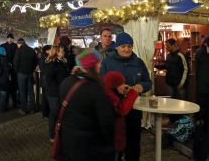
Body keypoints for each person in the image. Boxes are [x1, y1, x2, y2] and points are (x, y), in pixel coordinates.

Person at [100, 32, 152, 161]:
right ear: (117, 47)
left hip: (135, 107)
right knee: (115, 140)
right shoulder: (107, 62)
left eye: (129, 46)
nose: (127, 49)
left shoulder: (139, 62)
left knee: (133, 140)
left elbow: (148, 82)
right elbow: (101, 84)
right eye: (123, 46)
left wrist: (141, 86)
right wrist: (116, 87)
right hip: (115, 108)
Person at [59, 50, 114, 161]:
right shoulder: (96, 89)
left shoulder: (66, 82)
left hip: (68, 140)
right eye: (98, 62)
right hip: (90, 145)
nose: (100, 65)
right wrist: (110, 143)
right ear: (93, 65)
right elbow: (106, 122)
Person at [103, 71, 140, 159]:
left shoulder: (107, 90)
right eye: (121, 83)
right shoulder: (109, 95)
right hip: (113, 138)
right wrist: (133, 93)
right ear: (114, 85)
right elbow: (122, 110)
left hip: (111, 137)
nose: (124, 85)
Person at [44, 45, 68, 141]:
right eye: (62, 51)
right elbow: (49, 80)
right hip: (54, 93)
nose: (64, 53)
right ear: (57, 52)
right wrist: (59, 90)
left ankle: (57, 133)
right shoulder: (52, 64)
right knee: (54, 113)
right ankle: (52, 135)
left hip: (59, 92)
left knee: (58, 113)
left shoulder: (61, 62)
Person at [194, 37, 209, 161]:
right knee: (204, 129)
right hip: (204, 96)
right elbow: (203, 81)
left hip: (202, 95)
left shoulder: (200, 54)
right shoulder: (202, 56)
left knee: (203, 128)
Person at [13, 38, 37, 114]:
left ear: (19, 43)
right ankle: (32, 108)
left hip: (21, 73)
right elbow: (35, 62)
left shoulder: (18, 51)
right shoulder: (31, 50)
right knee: (31, 91)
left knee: (22, 91)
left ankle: (24, 109)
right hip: (30, 73)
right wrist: (31, 69)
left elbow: (15, 62)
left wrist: (16, 71)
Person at [0, 33, 19, 109]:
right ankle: (6, 102)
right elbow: (0, 56)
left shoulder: (15, 46)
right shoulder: (2, 46)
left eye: (11, 38)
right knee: (6, 85)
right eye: (9, 38)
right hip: (5, 68)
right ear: (7, 39)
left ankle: (14, 102)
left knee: (13, 84)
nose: (10, 39)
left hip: (13, 67)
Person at [0, 47, 11, 112]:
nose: (5, 52)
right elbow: (7, 70)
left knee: (0, 94)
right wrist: (9, 66)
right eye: (4, 51)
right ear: (2, 52)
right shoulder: (4, 59)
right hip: (4, 79)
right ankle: (2, 109)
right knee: (3, 94)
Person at [39, 45, 52, 118]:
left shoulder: (43, 56)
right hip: (45, 80)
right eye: (51, 49)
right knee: (46, 96)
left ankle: (45, 112)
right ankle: (45, 112)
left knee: (45, 96)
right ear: (47, 50)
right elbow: (44, 69)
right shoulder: (46, 57)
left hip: (44, 79)